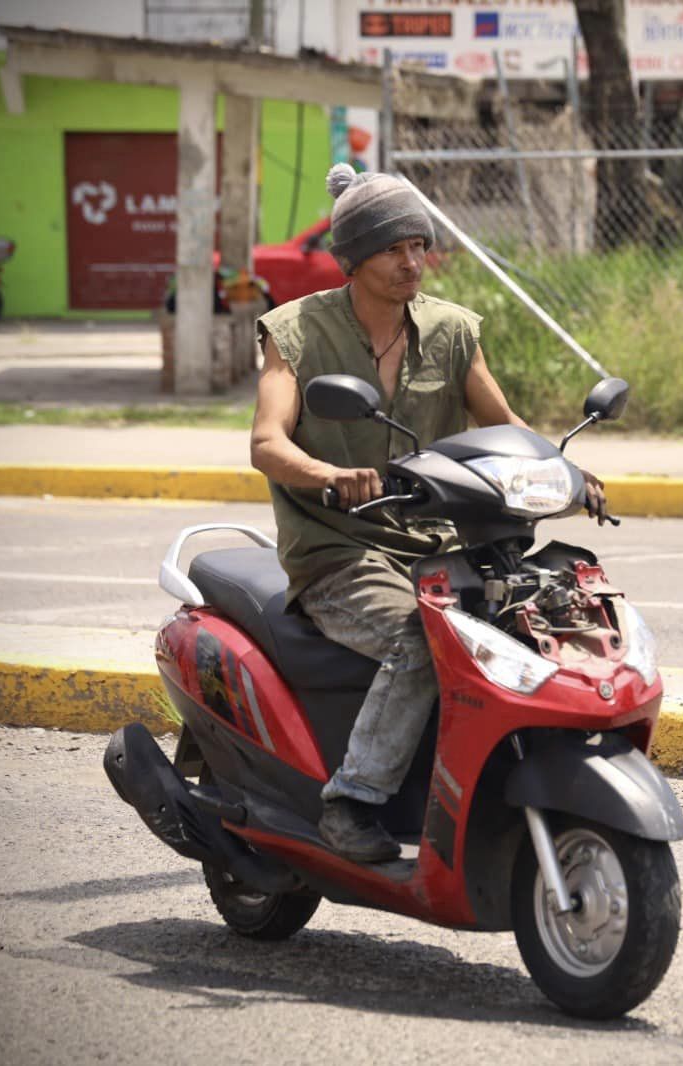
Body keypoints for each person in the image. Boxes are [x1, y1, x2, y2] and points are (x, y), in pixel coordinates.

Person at [250, 165, 607, 863]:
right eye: (393, 249)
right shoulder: (295, 332)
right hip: (339, 551)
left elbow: (502, 422)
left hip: (438, 546)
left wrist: (562, 470)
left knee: (533, 620)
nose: (413, 261)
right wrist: (330, 476)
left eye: (420, 244)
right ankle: (351, 801)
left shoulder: (449, 331)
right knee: (425, 639)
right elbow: (267, 442)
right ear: (352, 258)